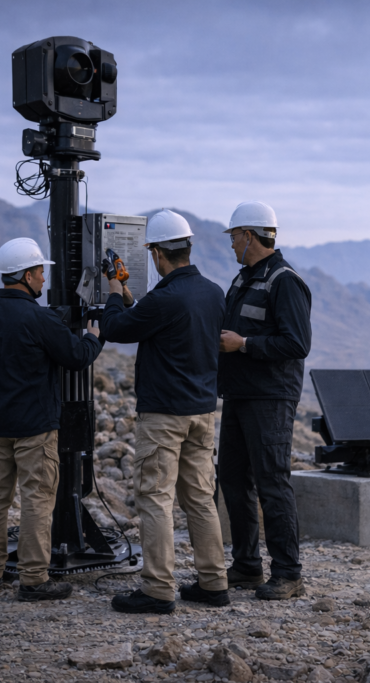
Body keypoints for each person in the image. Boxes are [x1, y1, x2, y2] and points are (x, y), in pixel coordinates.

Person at [99, 210, 228, 614]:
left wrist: (112, 291)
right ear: (188, 247)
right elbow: (158, 320)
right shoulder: (213, 292)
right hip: (202, 412)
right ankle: (214, 582)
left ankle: (157, 589)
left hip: (164, 417)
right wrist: (129, 298)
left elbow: (116, 329)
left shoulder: (165, 298)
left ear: (156, 254)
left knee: (155, 498)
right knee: (200, 499)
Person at [0, 237, 103, 601]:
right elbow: (76, 357)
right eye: (40, 272)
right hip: (36, 429)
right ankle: (33, 580)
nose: (44, 278)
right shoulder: (40, 318)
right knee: (37, 501)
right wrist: (94, 337)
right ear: (26, 275)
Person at [217, 201, 312, 600]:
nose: (231, 244)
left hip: (270, 398)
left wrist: (244, 344)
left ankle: (288, 573)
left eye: (234, 237)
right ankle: (247, 566)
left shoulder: (284, 281)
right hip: (239, 395)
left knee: (272, 482)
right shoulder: (243, 280)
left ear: (249, 236)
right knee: (233, 479)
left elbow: (297, 343)